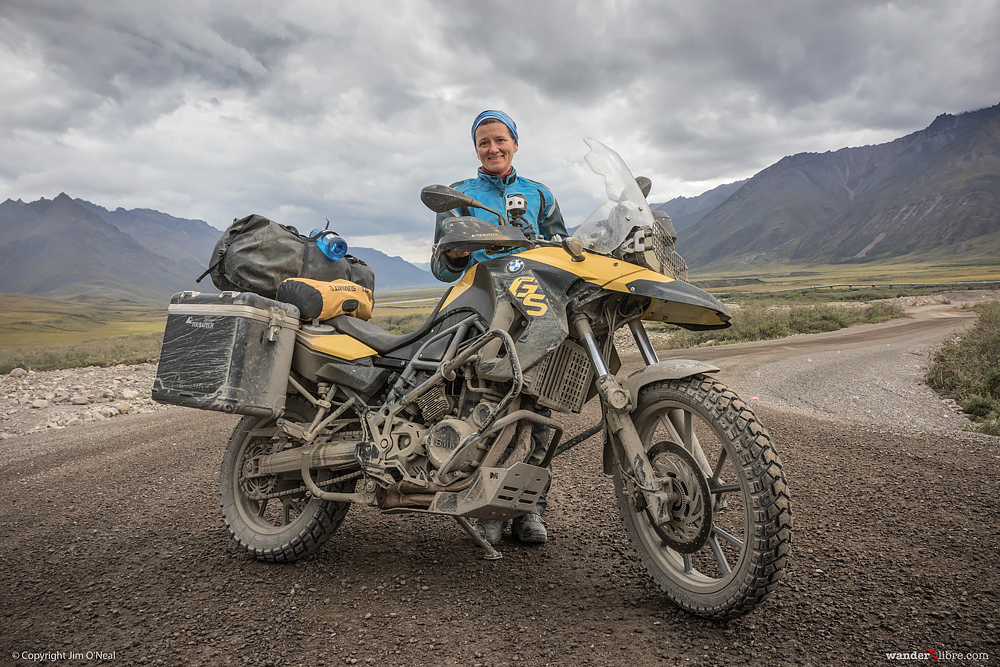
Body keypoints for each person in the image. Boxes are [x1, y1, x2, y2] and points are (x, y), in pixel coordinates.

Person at [430, 109, 568, 546]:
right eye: (483, 142)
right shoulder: (459, 194)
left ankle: (530, 510)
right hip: (482, 313)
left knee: (539, 415)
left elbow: (561, 249)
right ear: (475, 148)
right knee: (485, 413)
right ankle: (487, 510)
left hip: (533, 310)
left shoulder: (539, 193)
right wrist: (455, 252)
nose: (492, 149)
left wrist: (538, 241)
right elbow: (440, 266)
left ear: (514, 143)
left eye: (499, 140)